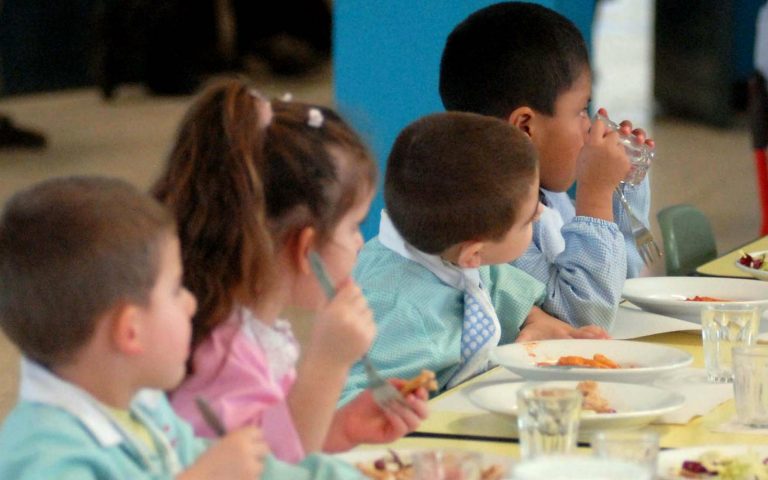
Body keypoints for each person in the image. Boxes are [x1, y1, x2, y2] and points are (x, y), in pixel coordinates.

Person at [152, 78, 429, 464]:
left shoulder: (245, 333)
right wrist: (330, 363)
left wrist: (338, 428)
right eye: (353, 227)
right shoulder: (221, 356)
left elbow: (271, 434)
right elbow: (272, 470)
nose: (359, 244)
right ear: (304, 247)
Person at [341, 112, 609, 403]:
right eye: (530, 218)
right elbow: (343, 398)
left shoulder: (442, 249)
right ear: (474, 253)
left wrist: (537, 318)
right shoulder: (402, 315)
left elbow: (494, 282)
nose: (541, 213)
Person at [439, 2, 654, 330]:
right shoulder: (492, 226)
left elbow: (619, 285)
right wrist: (595, 195)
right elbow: (586, 317)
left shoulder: (548, 199)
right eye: (581, 110)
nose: (590, 126)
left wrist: (621, 186)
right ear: (525, 127)